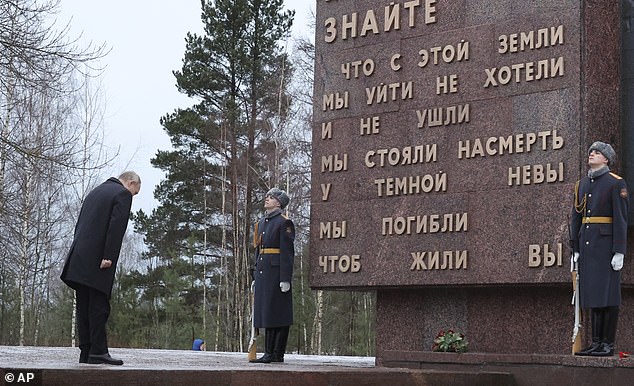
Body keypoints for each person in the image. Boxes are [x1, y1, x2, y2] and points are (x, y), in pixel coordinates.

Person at [61, 171, 141, 365]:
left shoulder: (95, 192)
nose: (132, 196)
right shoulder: (121, 194)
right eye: (135, 192)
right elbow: (116, 228)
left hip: (79, 258)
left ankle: (86, 351)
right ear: (130, 183)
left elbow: (82, 225)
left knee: (84, 306)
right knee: (98, 306)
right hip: (98, 259)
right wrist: (108, 256)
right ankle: (98, 351)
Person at [570, 142, 628, 357]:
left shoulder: (615, 183)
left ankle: (607, 344)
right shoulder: (582, 184)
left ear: (606, 159)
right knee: (593, 294)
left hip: (606, 247)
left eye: (597, 152)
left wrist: (619, 250)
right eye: (591, 151)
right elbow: (577, 218)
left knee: (608, 295)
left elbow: (620, 219)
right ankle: (595, 343)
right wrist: (574, 247)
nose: (592, 154)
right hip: (587, 247)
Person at [249, 188, 295, 363]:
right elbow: (258, 250)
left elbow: (287, 253)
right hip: (263, 273)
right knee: (267, 312)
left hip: (276, 273)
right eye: (267, 196)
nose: (267, 199)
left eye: (271, 197)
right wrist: (255, 274)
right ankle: (270, 353)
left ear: (279, 203)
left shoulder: (284, 223)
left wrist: (285, 278)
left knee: (278, 313)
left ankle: (275, 353)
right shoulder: (261, 223)